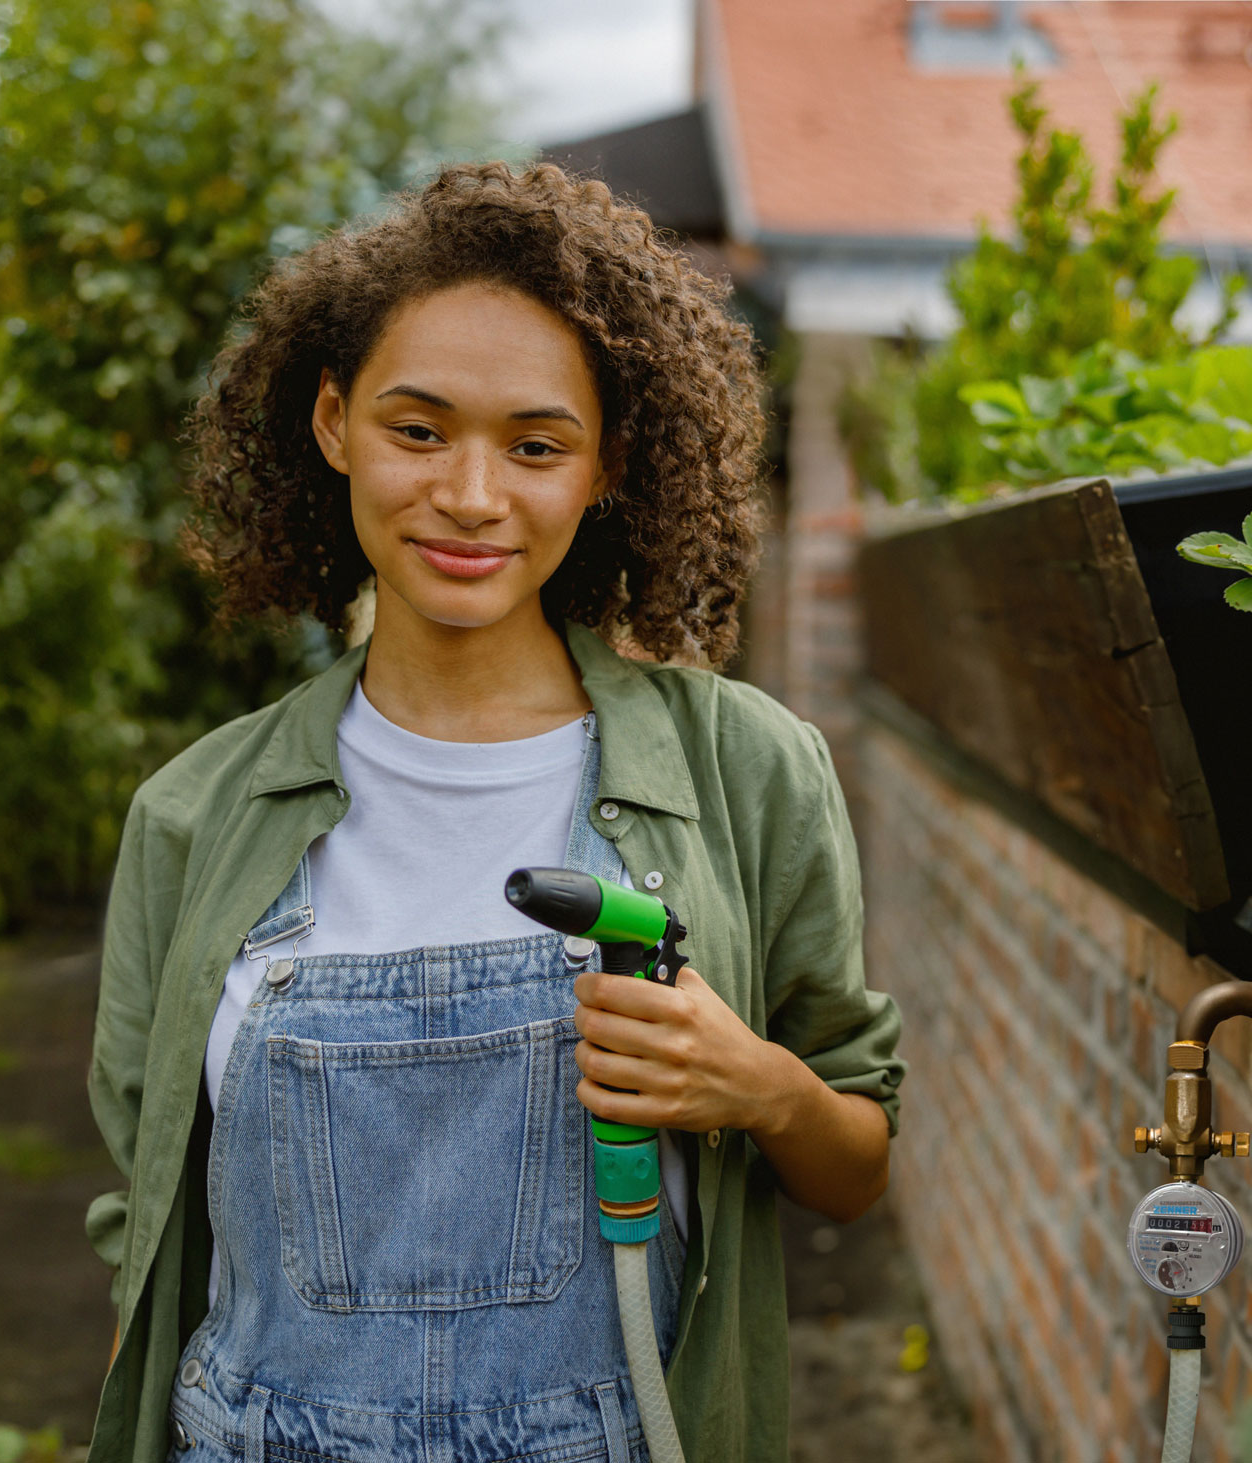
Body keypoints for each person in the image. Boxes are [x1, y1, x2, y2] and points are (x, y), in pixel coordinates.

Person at [83, 163, 904, 1463]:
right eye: (419, 430)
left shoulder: (749, 772)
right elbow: (151, 1204)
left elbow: (856, 1164)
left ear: (607, 467)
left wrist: (756, 1086)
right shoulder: (195, 816)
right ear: (334, 421)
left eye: (534, 445)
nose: (471, 495)